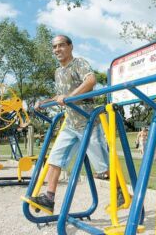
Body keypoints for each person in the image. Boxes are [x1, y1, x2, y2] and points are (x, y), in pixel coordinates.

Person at [30, 35, 119, 213]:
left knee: (102, 166)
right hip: (70, 123)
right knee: (55, 159)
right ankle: (49, 198)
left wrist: (69, 97)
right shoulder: (58, 72)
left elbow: (91, 81)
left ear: (70, 46)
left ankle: (120, 191)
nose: (57, 50)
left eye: (61, 45)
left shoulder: (79, 63)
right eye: (54, 47)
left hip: (88, 122)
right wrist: (44, 101)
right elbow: (60, 96)